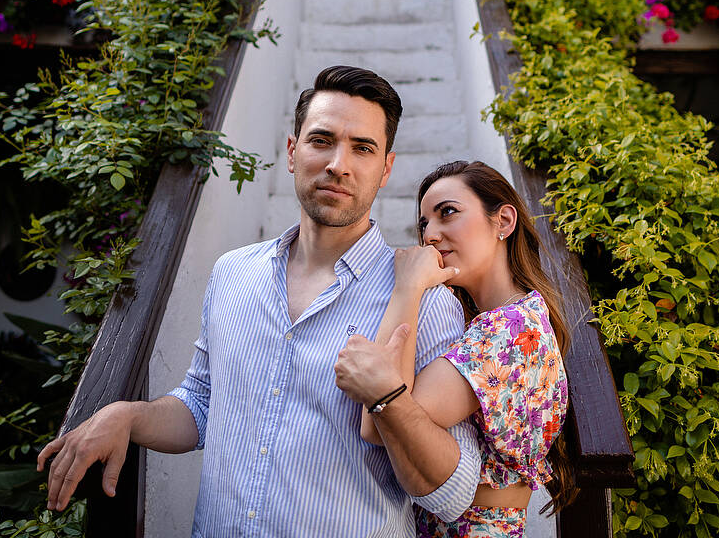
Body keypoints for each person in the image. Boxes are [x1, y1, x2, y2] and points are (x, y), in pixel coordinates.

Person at [37, 65, 481, 536]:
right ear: (292, 152)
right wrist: (126, 415)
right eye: (321, 140)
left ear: (386, 168)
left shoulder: (424, 300)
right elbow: (203, 403)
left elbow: (453, 491)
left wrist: (389, 399)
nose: (338, 164)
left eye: (363, 148)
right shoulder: (233, 273)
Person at [334, 160, 573, 537]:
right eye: (424, 223)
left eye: (448, 213)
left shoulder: (511, 331)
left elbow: (379, 421)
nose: (430, 235)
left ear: (504, 222)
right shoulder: (493, 321)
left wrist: (409, 287)